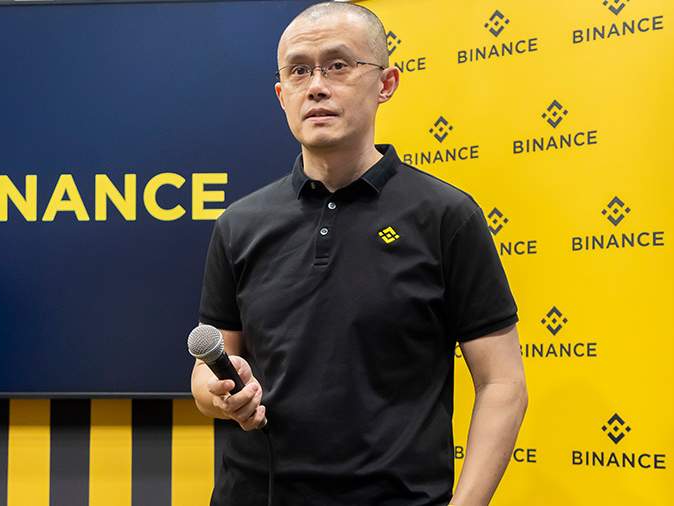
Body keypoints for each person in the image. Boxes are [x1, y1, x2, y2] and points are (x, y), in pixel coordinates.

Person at [190, 2, 528, 505]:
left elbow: (503, 383)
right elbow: (208, 369)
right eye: (298, 71)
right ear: (282, 96)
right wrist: (218, 394)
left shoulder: (446, 217)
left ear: (386, 83)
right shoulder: (239, 224)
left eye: (338, 65)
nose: (316, 86)